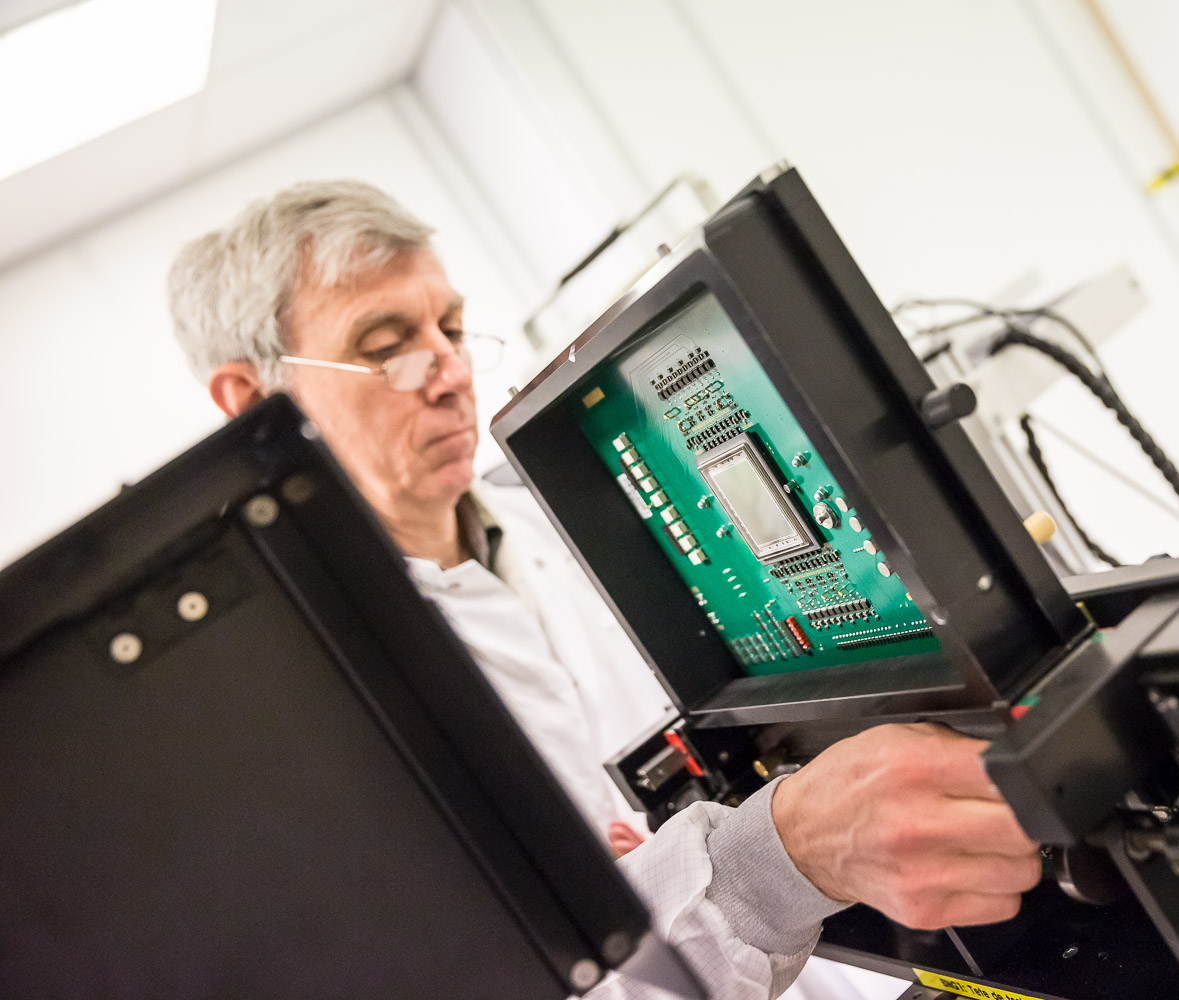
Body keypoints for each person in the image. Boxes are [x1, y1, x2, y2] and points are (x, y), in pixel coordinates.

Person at [168, 180, 1042, 998]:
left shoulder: (589, 536)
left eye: (450, 326)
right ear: (252, 401)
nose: (449, 371)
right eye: (385, 347)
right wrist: (763, 859)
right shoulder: (297, 726)